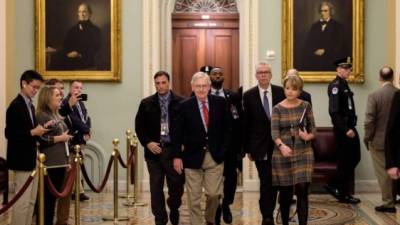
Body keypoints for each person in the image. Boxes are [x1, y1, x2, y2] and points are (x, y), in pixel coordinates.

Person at [172, 72, 231, 225]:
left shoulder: (220, 103)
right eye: (198, 86)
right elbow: (177, 134)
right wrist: (177, 156)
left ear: (209, 86)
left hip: (215, 156)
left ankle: (210, 219)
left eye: (204, 86)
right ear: (192, 87)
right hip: (191, 158)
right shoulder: (184, 106)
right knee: (194, 198)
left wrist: (223, 150)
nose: (201, 89)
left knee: (213, 194)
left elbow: (228, 129)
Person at [135, 71, 185, 225]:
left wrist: (183, 146)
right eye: (158, 83)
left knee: (176, 186)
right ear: (154, 84)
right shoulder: (146, 103)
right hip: (154, 151)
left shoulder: (181, 102)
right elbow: (139, 127)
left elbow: (186, 127)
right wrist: (148, 142)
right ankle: (160, 219)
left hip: (173, 151)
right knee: (156, 188)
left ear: (169, 83)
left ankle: (174, 207)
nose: (161, 86)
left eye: (163, 82)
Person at [243, 62, 285, 225]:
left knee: (276, 181)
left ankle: (276, 210)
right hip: (259, 147)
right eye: (260, 72)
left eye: (266, 72)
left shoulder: (281, 92)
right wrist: (247, 149)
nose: (263, 75)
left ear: (271, 74)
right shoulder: (248, 95)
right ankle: (267, 215)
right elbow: (247, 124)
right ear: (256, 76)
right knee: (266, 180)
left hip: (279, 145)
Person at [5, 70, 49, 225]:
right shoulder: (15, 106)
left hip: (32, 159)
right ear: (24, 83)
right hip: (21, 161)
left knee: (31, 201)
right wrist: (32, 132)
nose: (36, 90)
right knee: (22, 203)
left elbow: (29, 130)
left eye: (38, 88)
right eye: (34, 87)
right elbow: (10, 134)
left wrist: (41, 129)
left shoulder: (29, 105)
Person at [271, 75, 316, 225]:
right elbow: (274, 132)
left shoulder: (305, 106)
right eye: (287, 88)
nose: (290, 92)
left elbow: (313, 130)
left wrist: (307, 136)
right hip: (283, 153)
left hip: (304, 152)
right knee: (285, 193)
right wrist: (281, 146)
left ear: (300, 91)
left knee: (302, 189)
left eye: (294, 89)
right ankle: (285, 222)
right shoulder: (277, 108)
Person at [208, 67, 243, 225]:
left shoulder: (233, 96)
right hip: (210, 146)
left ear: (224, 77)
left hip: (230, 145)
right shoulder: (202, 94)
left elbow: (240, 120)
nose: (217, 76)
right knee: (213, 180)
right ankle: (215, 210)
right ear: (209, 77)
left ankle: (226, 205)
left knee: (231, 178)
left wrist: (241, 147)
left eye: (220, 73)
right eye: (214, 74)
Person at [326, 57, 361, 204]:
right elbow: (334, 111)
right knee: (345, 161)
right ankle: (343, 193)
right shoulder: (335, 86)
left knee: (354, 158)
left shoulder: (344, 84)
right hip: (343, 130)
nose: (348, 71)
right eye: (345, 68)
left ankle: (335, 185)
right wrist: (345, 129)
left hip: (350, 127)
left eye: (349, 69)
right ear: (338, 69)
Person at [36, 86, 72, 225]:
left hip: (60, 162)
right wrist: (60, 138)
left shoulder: (55, 114)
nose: (60, 97)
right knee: (48, 201)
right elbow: (41, 140)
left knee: (53, 200)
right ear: (48, 97)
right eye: (57, 95)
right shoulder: (41, 115)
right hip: (50, 164)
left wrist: (67, 160)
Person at [364, 66, 398, 213]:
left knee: (384, 173)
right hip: (397, 140)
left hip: (379, 140)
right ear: (393, 77)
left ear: (380, 78)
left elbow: (369, 120)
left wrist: (367, 137)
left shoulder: (374, 95)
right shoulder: (397, 93)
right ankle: (394, 196)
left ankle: (388, 202)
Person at [50, 3, 101, 70]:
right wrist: (67, 53)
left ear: (90, 13)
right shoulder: (73, 29)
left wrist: (79, 54)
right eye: (80, 12)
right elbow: (66, 45)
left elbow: (95, 48)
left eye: (84, 12)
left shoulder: (96, 30)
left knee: (65, 62)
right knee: (55, 58)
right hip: (71, 56)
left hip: (85, 59)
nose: (82, 14)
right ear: (78, 13)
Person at [63, 80, 91, 201]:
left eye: (80, 88)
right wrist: (85, 129)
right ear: (70, 89)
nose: (78, 90)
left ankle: (78, 191)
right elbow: (73, 120)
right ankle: (76, 191)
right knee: (73, 165)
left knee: (78, 165)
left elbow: (86, 117)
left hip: (81, 138)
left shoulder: (80, 102)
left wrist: (88, 130)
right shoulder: (67, 102)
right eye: (76, 87)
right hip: (72, 138)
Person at [301, 1, 347, 71]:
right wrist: (314, 50)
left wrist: (325, 51)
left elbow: (339, 45)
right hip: (315, 62)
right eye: (321, 11)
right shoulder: (314, 26)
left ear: (330, 12)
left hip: (330, 62)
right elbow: (308, 43)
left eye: (325, 11)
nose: (322, 13)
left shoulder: (337, 26)